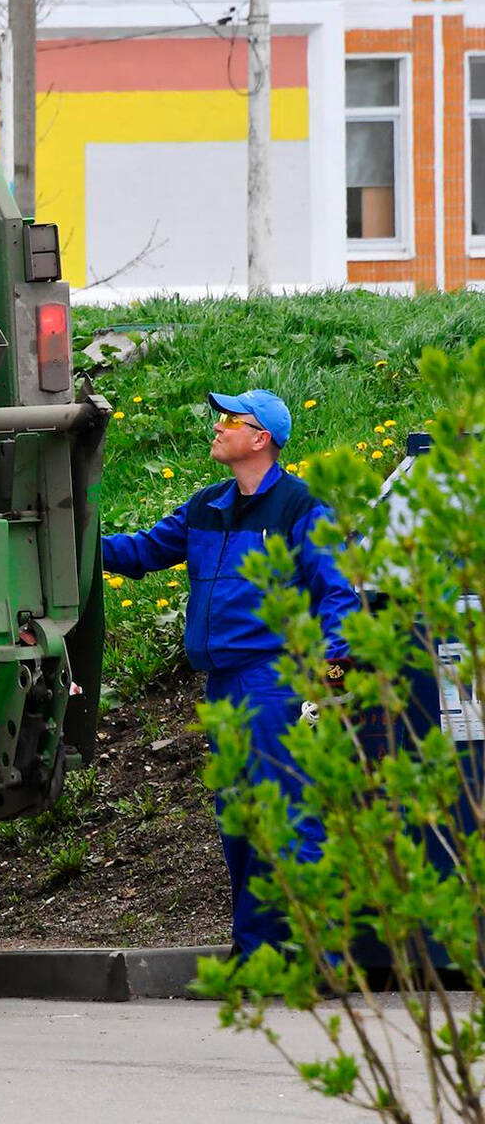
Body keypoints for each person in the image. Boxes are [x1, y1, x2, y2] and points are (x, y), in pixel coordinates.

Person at [102, 389, 359, 958]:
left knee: (290, 821)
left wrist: (334, 680)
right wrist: (65, 539)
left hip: (278, 683)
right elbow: (139, 552)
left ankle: (316, 961)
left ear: (260, 438)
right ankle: (257, 956)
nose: (217, 428)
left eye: (229, 420)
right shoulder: (206, 507)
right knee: (241, 828)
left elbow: (339, 595)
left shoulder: (301, 506)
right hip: (223, 688)